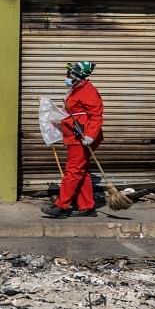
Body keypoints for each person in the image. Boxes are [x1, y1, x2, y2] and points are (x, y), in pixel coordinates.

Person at [42, 61, 104, 219]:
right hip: (75, 136)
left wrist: (90, 135)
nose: (67, 76)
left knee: (73, 171)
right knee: (81, 172)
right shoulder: (76, 90)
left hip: (82, 138)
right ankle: (87, 206)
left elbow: (96, 115)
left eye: (69, 73)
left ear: (77, 75)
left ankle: (61, 206)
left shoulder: (87, 91)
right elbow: (73, 114)